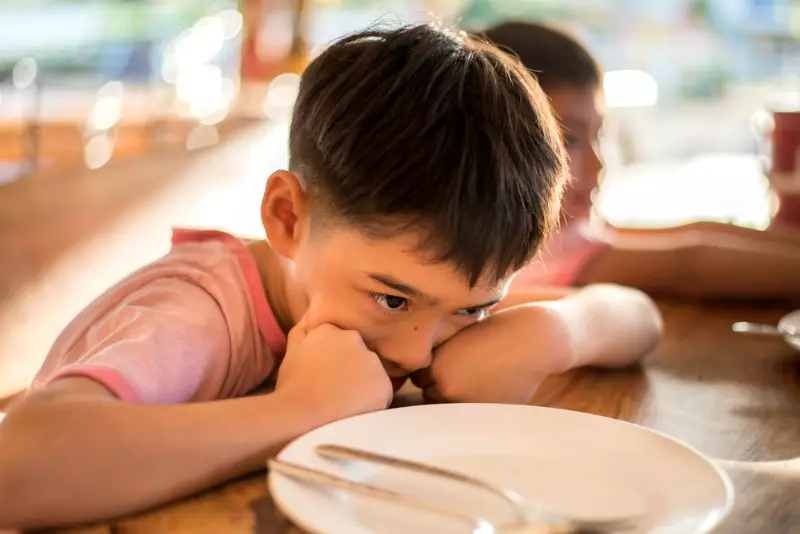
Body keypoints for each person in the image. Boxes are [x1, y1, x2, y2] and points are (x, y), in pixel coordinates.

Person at [0, 25, 662, 529]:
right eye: (391, 299)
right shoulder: (199, 311)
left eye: (474, 310)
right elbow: (19, 467)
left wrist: (553, 332)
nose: (415, 352)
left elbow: (638, 315)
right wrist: (298, 412)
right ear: (288, 218)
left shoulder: (419, 289)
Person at [483, 21, 800, 299]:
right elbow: (688, 266)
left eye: (600, 134)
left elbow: (694, 231)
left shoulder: (560, 233)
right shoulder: (525, 256)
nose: (599, 164)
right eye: (569, 140)